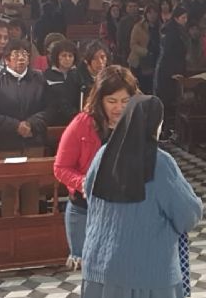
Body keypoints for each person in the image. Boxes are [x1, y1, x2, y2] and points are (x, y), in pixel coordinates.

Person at [81, 95, 203, 297]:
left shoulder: (103, 155)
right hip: (147, 272)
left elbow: (89, 195)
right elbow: (187, 215)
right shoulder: (160, 163)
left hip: (98, 266)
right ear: (156, 125)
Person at [54, 65, 138, 269]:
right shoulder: (82, 123)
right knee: (91, 275)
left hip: (123, 212)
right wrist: (84, 183)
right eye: (112, 101)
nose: (119, 108)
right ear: (100, 100)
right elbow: (60, 168)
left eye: (125, 101)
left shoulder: (136, 123)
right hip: (85, 211)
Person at [0, 38, 47, 216]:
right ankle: (7, 232)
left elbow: (49, 109)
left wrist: (30, 124)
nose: (21, 58)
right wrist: (15, 126)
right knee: (9, 189)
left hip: (33, 142)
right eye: (17, 54)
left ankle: (30, 235)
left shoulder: (39, 79)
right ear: (7, 59)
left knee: (32, 189)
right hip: (7, 144)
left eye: (25, 54)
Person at [154, 7, 189, 110]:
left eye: (186, 18)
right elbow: (169, 54)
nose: (185, 20)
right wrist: (173, 71)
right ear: (176, 18)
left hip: (174, 68)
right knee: (168, 101)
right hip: (170, 70)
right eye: (183, 18)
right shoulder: (172, 33)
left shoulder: (177, 30)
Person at [44, 39, 80, 126]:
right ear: (57, 56)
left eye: (70, 56)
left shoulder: (80, 75)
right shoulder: (47, 75)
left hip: (76, 120)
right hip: (53, 121)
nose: (67, 59)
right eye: (63, 55)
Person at [116, 0, 140, 66]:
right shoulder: (123, 21)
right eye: (130, 7)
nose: (133, 8)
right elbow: (119, 36)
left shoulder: (142, 20)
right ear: (127, 9)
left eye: (135, 6)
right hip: (126, 50)